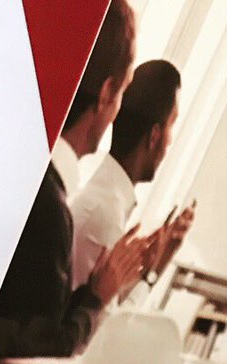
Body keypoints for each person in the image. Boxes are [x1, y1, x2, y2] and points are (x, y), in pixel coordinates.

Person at [0, 0, 147, 361]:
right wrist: (95, 300)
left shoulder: (10, 168)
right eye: (121, 92)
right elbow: (34, 355)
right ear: (106, 95)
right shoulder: (49, 211)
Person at [73, 59, 195, 291]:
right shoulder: (105, 216)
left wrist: (154, 265)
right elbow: (97, 313)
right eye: (171, 125)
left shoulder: (107, 201)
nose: (170, 141)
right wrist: (149, 275)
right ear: (154, 136)